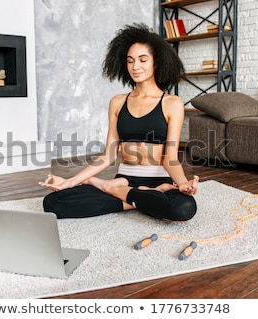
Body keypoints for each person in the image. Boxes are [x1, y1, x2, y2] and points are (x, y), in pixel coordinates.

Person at [39, 23, 198, 222]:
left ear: (156, 62)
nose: (135, 66)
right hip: (127, 177)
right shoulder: (118, 102)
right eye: (130, 61)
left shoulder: (172, 104)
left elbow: (170, 158)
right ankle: (142, 195)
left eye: (142, 60)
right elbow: (108, 155)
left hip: (159, 178)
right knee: (53, 202)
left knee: (183, 209)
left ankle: (115, 190)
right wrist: (71, 182)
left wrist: (182, 183)